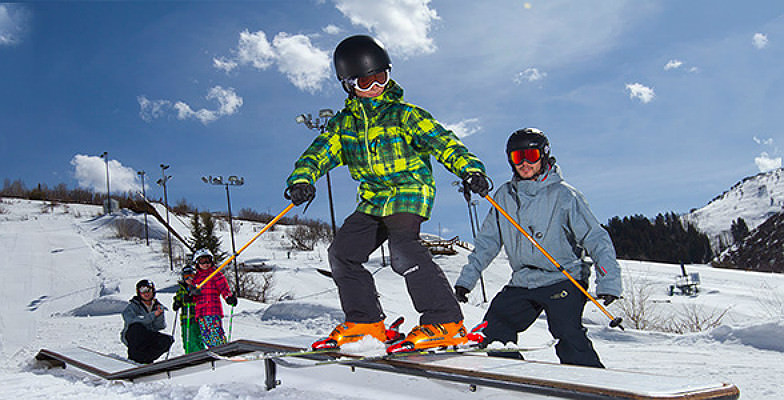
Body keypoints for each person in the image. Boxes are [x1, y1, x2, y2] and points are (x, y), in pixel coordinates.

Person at [284, 34, 490, 354]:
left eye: (381, 77)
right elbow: (317, 154)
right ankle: (367, 322)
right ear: (348, 84)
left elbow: (444, 142)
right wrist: (302, 179)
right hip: (373, 198)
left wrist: (470, 170)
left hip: (409, 190)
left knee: (403, 248)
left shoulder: (405, 115)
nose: (375, 86)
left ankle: (445, 321)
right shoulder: (342, 125)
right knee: (342, 252)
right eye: (365, 81)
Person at [454, 128, 621, 368]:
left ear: (543, 155)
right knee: (494, 329)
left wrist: (609, 281)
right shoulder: (504, 196)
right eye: (516, 157)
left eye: (530, 155)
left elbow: (596, 238)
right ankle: (518, 380)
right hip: (523, 281)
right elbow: (486, 244)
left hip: (563, 277)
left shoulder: (564, 195)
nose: (523, 163)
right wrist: (465, 281)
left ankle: (590, 382)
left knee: (566, 331)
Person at [191, 248, 237, 348]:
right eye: (202, 261)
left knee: (215, 332)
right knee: (205, 335)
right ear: (197, 263)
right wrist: (192, 296)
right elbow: (193, 296)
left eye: (208, 261)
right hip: (201, 312)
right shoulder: (196, 279)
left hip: (212, 309)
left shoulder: (216, 275)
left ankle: (222, 347)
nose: (206, 264)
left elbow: (224, 288)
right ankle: (212, 350)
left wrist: (229, 297)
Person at [120, 279, 174, 364]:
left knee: (167, 340)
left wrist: (159, 314)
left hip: (148, 335)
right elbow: (131, 320)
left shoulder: (156, 305)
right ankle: (134, 359)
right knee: (136, 328)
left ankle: (147, 359)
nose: (146, 293)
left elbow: (159, 326)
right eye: (142, 291)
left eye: (148, 290)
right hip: (134, 336)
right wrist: (153, 315)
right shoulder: (133, 306)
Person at [172, 265, 205, 354]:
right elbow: (178, 298)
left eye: (192, 276)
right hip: (185, 320)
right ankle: (188, 354)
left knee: (196, 339)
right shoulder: (181, 290)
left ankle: (199, 354)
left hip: (196, 319)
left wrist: (192, 300)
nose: (190, 279)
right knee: (187, 340)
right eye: (187, 277)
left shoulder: (198, 288)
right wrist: (177, 303)